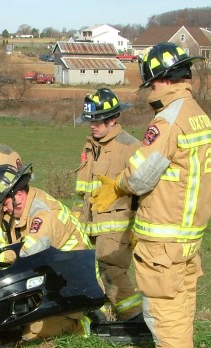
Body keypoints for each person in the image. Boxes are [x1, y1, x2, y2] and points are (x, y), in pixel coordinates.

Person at [90, 42, 211, 348]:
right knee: (180, 300)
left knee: (163, 304)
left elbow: (141, 175)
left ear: (161, 80)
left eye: (150, 83)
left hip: (165, 233)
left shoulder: (167, 120)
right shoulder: (198, 116)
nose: (150, 90)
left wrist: (118, 185)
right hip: (189, 231)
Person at [0, 163, 96, 340]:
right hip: (48, 276)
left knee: (31, 333)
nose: (4, 209)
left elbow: (28, 253)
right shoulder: (14, 210)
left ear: (18, 195)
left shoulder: (43, 214)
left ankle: (81, 326)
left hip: (72, 284)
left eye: (5, 203)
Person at [74, 87, 142, 323]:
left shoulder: (130, 147)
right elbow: (84, 189)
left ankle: (134, 320)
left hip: (118, 226)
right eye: (90, 121)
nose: (93, 126)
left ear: (113, 119)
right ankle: (100, 318)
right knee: (87, 271)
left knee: (113, 272)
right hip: (90, 223)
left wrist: (138, 226)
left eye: (99, 121)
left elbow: (143, 190)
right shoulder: (91, 146)